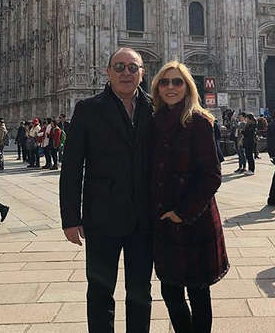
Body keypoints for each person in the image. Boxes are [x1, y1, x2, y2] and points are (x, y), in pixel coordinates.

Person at [60, 47, 154, 333]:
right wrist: (70, 218)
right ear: (108, 71)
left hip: (144, 219)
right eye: (119, 67)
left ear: (142, 73)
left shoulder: (155, 108)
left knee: (140, 291)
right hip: (102, 216)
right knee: (100, 292)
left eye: (132, 67)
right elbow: (72, 167)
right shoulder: (88, 109)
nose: (126, 73)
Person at [151, 61, 229, 333]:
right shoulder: (154, 122)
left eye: (177, 82)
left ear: (188, 87)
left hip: (193, 221)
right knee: (170, 292)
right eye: (164, 82)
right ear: (157, 88)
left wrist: (182, 213)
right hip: (164, 221)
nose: (170, 87)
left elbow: (211, 175)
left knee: (198, 292)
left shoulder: (199, 122)